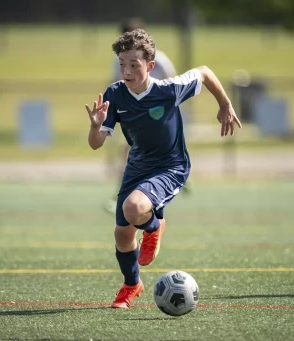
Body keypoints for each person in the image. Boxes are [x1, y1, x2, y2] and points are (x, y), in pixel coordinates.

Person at [85, 29, 241, 309]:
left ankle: (154, 227)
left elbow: (204, 72)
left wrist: (224, 103)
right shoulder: (115, 94)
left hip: (170, 167)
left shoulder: (169, 90)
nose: (127, 70)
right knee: (122, 235)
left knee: (133, 208)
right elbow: (96, 144)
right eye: (122, 64)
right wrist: (96, 126)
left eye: (134, 64)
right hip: (137, 167)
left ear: (150, 66)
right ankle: (132, 285)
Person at [104, 18, 182, 215]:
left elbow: (173, 78)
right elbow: (115, 82)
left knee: (163, 150)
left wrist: (158, 99)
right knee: (130, 151)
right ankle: (122, 191)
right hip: (133, 115)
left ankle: (169, 178)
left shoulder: (159, 58)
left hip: (158, 114)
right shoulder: (118, 60)